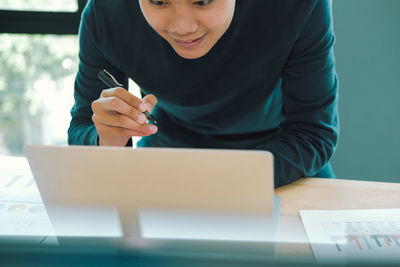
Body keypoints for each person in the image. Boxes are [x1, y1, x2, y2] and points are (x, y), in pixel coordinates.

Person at [68, 0, 339, 187]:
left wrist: (220, 179)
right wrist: (106, 141)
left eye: (202, 1)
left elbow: (314, 134)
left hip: (281, 165)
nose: (182, 27)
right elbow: (81, 126)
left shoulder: (296, 6)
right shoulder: (106, 13)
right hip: (168, 165)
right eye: (159, 1)